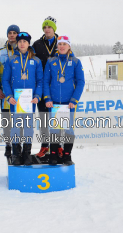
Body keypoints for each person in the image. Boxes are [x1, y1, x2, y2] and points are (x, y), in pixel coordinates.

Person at [2, 32, 43, 165]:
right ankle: (16, 154)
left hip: (30, 101)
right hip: (16, 100)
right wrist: (9, 96)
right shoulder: (11, 59)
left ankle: (26, 153)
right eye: (20, 41)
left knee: (28, 127)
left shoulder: (36, 61)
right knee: (15, 127)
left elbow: (40, 81)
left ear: (28, 43)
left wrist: (37, 96)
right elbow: (5, 80)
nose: (22, 43)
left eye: (25, 41)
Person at [43, 35, 85, 165]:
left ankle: (67, 155)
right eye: (60, 44)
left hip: (69, 104)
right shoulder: (51, 61)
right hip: (54, 103)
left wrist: (74, 100)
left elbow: (81, 82)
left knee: (69, 130)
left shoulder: (76, 62)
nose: (61, 46)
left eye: (64, 44)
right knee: (54, 129)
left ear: (69, 46)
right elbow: (45, 81)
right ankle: (54, 155)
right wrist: (47, 98)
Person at [32, 16, 59, 159]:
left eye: (49, 27)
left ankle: (58, 147)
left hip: (58, 87)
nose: (47, 29)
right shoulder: (37, 44)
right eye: (45, 27)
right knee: (43, 118)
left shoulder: (61, 43)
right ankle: (44, 146)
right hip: (42, 86)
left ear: (54, 28)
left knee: (57, 118)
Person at [0, 25, 20, 157]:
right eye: (10, 33)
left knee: (19, 120)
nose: (12, 35)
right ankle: (8, 145)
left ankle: (18, 145)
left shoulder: (23, 51)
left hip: (20, 92)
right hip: (5, 92)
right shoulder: (0, 52)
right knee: (7, 120)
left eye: (15, 33)